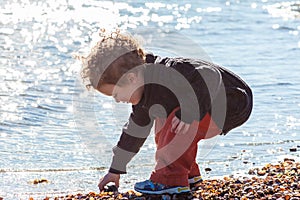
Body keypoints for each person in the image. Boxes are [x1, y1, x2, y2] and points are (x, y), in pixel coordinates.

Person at [79, 29, 253, 195]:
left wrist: (190, 111)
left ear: (131, 78)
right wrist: (114, 171)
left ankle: (170, 180)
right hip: (211, 105)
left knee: (176, 121)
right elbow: (133, 133)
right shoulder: (144, 99)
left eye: (116, 94)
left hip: (230, 102)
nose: (117, 100)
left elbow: (210, 75)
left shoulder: (168, 73)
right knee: (165, 123)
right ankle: (188, 174)